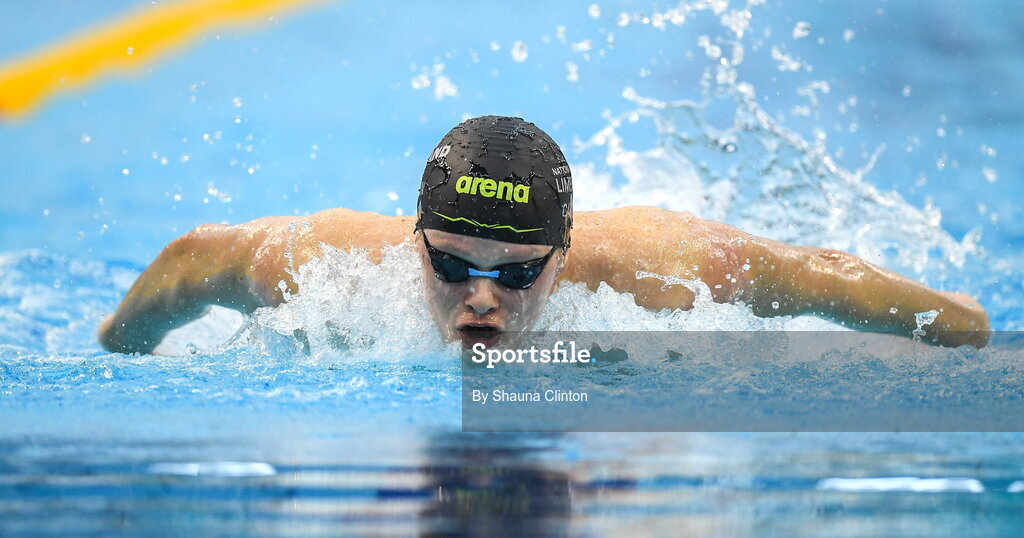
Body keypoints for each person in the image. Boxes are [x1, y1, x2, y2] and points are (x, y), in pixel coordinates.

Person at [97, 115, 989, 354]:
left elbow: (817, 274)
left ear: (564, 257)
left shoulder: (660, 271)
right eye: (452, 265)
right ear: (415, 241)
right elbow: (190, 262)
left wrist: (964, 326)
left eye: (518, 276)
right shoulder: (337, 266)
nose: (480, 297)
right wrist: (113, 351)